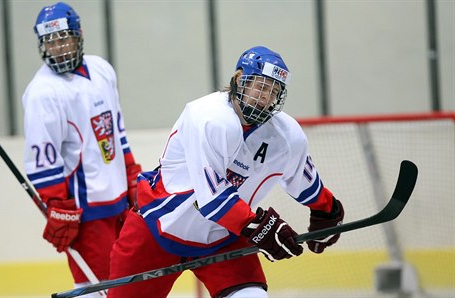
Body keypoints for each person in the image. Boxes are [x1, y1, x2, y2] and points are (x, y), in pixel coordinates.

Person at [107, 46, 345, 298]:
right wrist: (259, 227)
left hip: (223, 236)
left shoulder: (286, 135)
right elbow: (211, 198)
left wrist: (327, 210)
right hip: (158, 227)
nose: (265, 98)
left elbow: (304, 181)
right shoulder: (207, 116)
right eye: (261, 87)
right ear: (239, 79)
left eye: (274, 92)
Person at [22, 1, 141, 292]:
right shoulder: (42, 93)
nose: (59, 48)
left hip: (121, 202)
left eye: (63, 38)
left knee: (130, 286)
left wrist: (132, 177)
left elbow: (116, 132)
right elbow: (43, 160)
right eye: (50, 42)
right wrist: (58, 206)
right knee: (98, 288)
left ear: (78, 35)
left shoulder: (102, 70)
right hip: (85, 212)